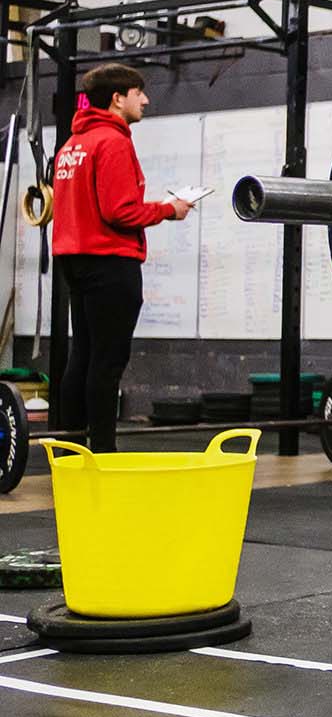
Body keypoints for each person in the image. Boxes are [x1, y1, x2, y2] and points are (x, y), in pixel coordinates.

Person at [50, 63, 190, 452]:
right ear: (117, 98)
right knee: (107, 362)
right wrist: (169, 209)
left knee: (83, 355)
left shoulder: (72, 145)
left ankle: (70, 449)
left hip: (74, 260)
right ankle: (103, 455)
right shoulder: (112, 142)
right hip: (109, 261)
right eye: (138, 92)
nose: (144, 100)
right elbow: (120, 211)